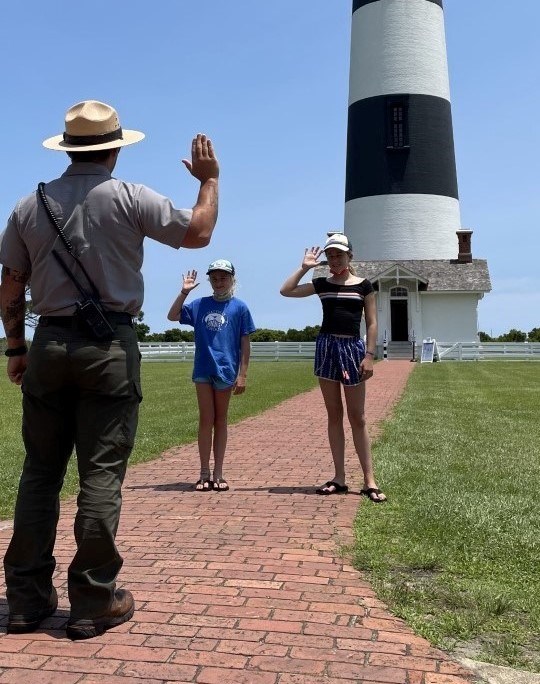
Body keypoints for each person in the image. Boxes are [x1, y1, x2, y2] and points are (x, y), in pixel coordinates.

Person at [0, 99, 219, 639]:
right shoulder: (129, 197)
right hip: (110, 345)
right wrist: (209, 181)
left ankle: (26, 599)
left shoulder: (31, 204)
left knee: (40, 474)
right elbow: (197, 233)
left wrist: (16, 347)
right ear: (115, 148)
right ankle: (93, 599)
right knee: (100, 475)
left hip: (48, 341)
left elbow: (9, 285)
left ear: (69, 148)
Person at [280, 233, 386, 502]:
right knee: (334, 414)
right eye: (331, 254)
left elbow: (372, 323)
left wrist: (369, 354)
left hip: (352, 349)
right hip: (326, 348)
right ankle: (339, 477)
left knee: (358, 418)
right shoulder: (321, 283)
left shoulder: (363, 285)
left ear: (350, 255)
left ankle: (369, 480)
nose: (335, 258)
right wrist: (305, 267)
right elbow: (287, 290)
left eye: (339, 253)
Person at [167, 259, 255, 492]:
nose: (219, 282)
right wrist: (184, 292)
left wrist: (242, 374)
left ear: (232, 279)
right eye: (214, 278)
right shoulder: (199, 305)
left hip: (226, 370)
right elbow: (172, 315)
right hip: (203, 369)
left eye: (223, 277)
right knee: (206, 419)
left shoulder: (240, 308)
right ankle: (204, 472)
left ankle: (219, 472)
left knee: (221, 420)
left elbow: (245, 343)